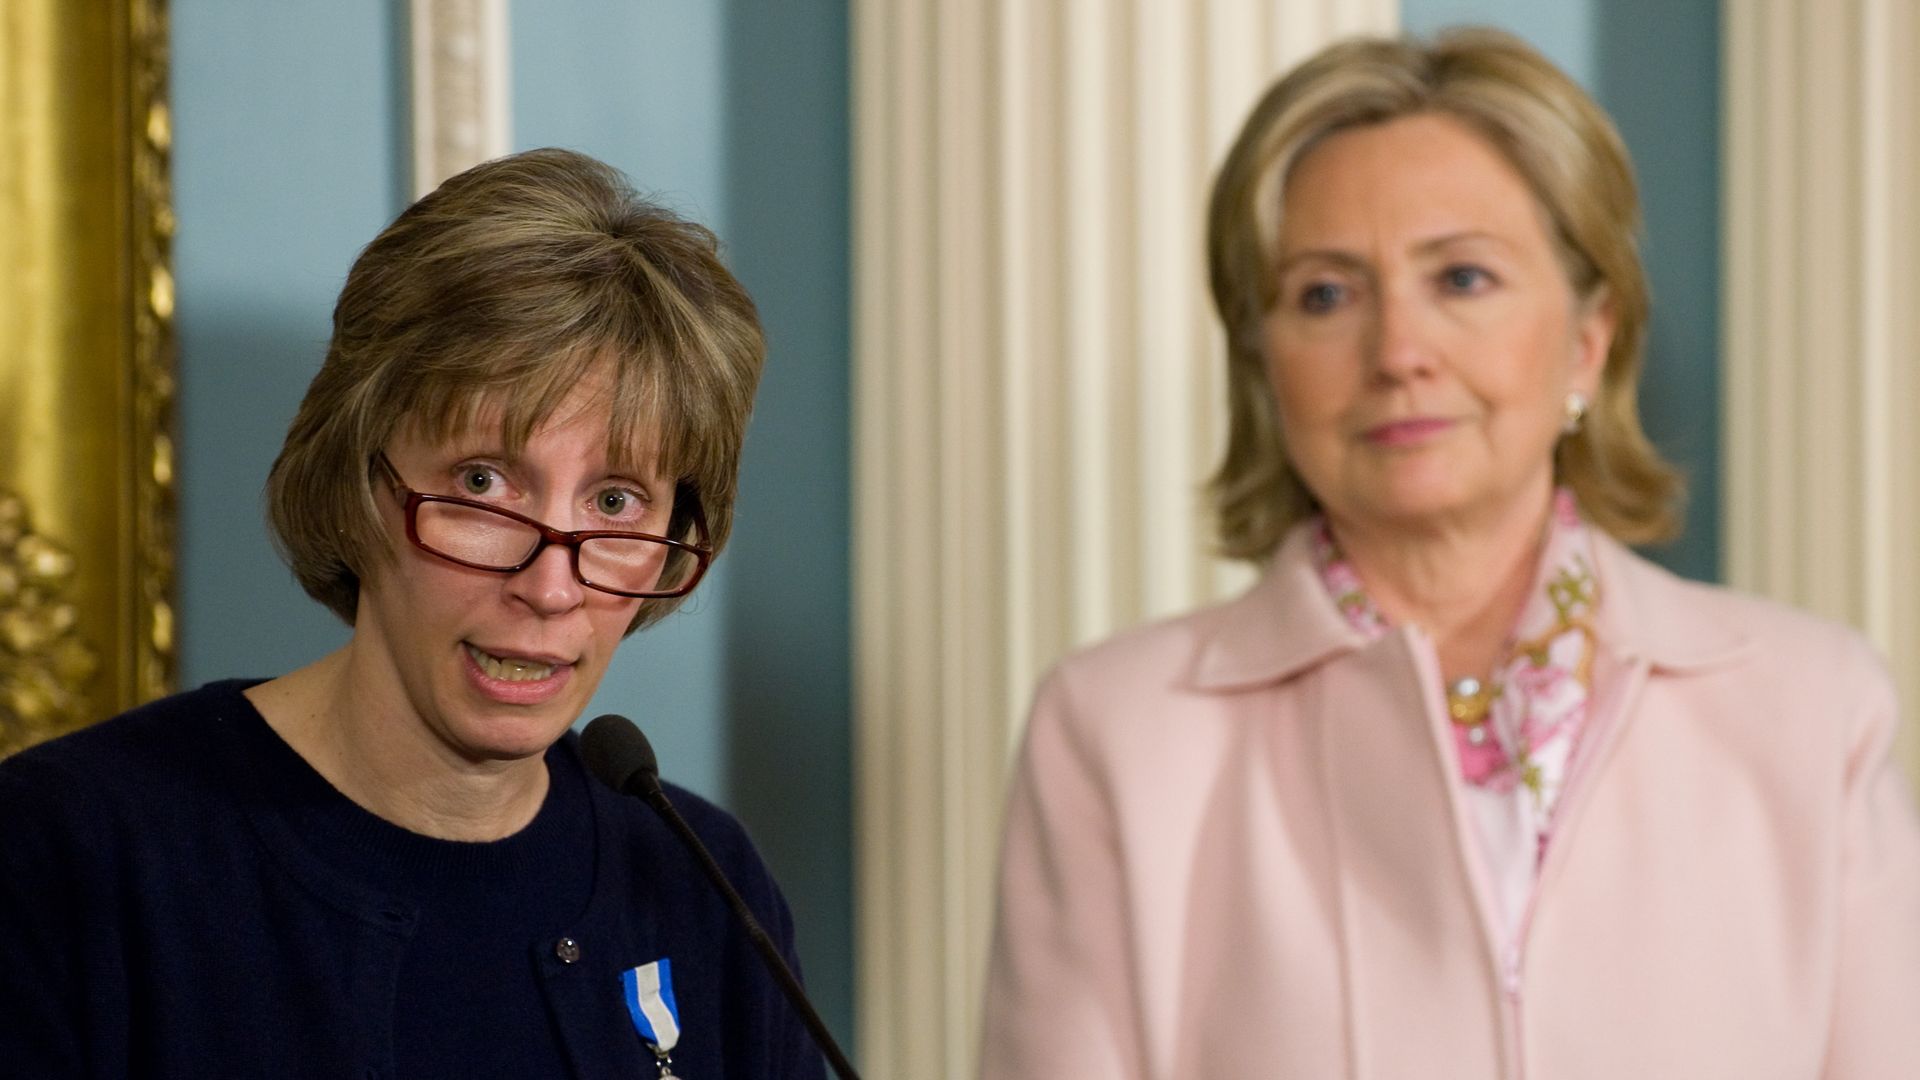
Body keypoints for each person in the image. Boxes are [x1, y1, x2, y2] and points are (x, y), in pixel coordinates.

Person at [980, 29, 1920, 1078]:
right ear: (1263, 359)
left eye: (1462, 278)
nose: (1397, 353)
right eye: (1326, 295)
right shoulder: (1113, 735)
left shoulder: (1814, 708)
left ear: (1589, 337)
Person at [0, 148, 826, 1079]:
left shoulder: (697, 881)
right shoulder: (65, 851)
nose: (552, 590)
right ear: (357, 481)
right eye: (482, 483)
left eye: (615, 502)